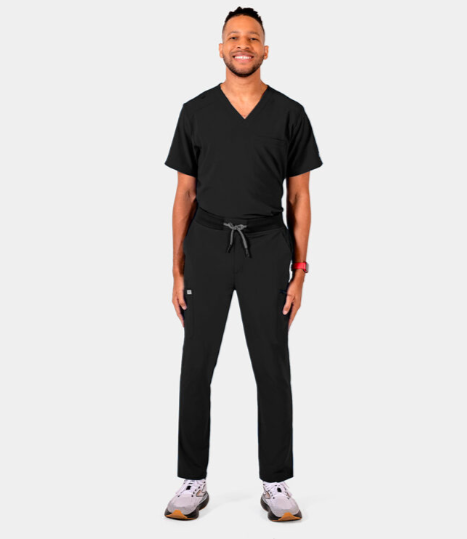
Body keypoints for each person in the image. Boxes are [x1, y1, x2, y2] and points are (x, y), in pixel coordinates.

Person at [163, 7, 323, 522]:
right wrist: (177, 269)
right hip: (208, 246)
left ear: (266, 49)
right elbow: (184, 195)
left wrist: (300, 271)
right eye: (234, 36)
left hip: (267, 247)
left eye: (253, 38)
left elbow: (299, 198)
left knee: (272, 368)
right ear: (220, 48)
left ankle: (276, 483)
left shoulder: (290, 114)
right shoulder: (196, 111)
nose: (243, 44)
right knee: (196, 366)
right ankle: (192, 481)